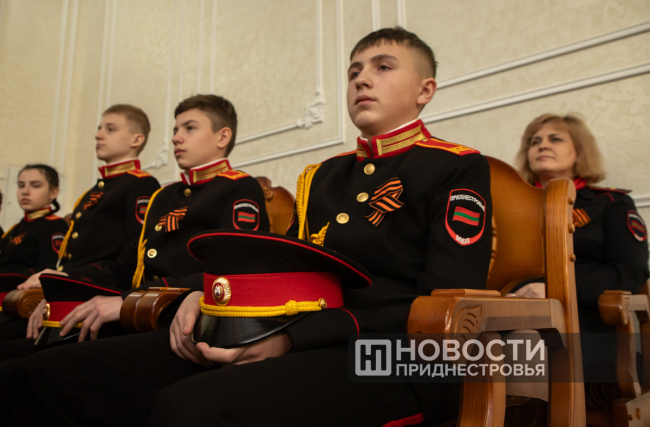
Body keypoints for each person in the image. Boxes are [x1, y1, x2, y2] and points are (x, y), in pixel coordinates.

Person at [1, 28, 492, 427]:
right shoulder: (324, 176)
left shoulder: (456, 166)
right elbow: (286, 268)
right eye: (353, 71)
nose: (362, 79)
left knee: (189, 409)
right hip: (292, 332)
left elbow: (443, 303)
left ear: (425, 90)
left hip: (396, 356)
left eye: (382, 67)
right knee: (54, 375)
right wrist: (207, 292)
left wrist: (291, 339)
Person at [510, 113, 649, 409]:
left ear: (579, 151)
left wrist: (555, 289)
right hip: (510, 311)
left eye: (555, 139)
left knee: (522, 340)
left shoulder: (609, 204)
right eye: (534, 141)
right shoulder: (508, 206)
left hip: (584, 322)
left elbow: (630, 272)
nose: (542, 145)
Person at [0, 104, 161, 341]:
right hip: (71, 294)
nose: (98, 135)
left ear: (136, 140)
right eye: (99, 128)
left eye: (110, 129)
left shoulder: (141, 185)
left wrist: (65, 278)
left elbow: (133, 258)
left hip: (97, 296)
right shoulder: (92, 192)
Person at [0, 165, 68, 325]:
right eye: (21, 185)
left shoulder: (54, 225)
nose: (25, 191)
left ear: (53, 192)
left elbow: (48, 269)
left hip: (20, 302)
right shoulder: (14, 229)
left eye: (35, 186)